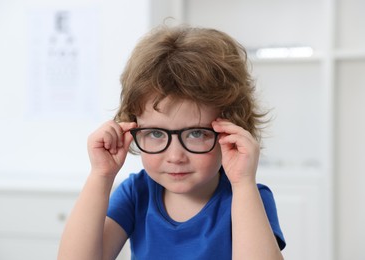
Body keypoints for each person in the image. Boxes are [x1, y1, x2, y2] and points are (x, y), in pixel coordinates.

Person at [57, 24, 286, 260]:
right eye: (156, 134)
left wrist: (243, 184)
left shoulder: (247, 195)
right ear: (134, 128)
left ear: (231, 131)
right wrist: (100, 176)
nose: (175, 156)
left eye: (196, 134)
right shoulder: (137, 193)